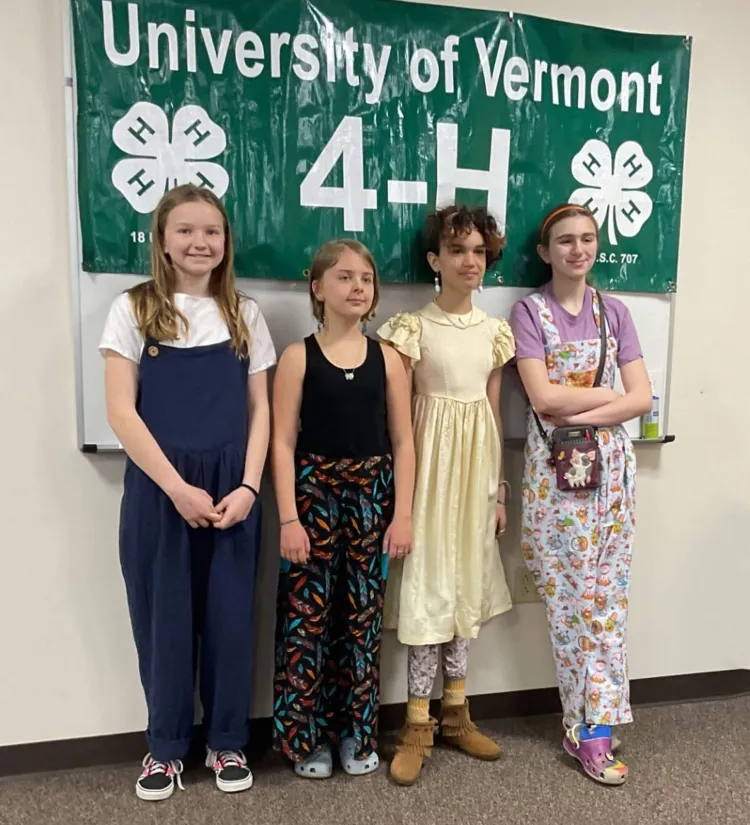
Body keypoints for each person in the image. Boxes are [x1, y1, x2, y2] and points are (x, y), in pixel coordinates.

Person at [100, 184, 275, 801]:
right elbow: (121, 413)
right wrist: (176, 489)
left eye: (212, 232)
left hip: (235, 493)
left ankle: (227, 740)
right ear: (164, 241)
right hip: (159, 492)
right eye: (186, 231)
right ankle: (166, 747)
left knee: (231, 620)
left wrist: (251, 486)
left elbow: (262, 412)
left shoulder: (244, 314)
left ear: (226, 244)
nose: (200, 242)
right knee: (163, 620)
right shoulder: (132, 309)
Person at [509, 203, 652, 786]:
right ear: (546, 251)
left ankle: (599, 723)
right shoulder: (529, 312)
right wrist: (608, 401)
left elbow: (643, 399)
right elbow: (541, 400)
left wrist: (588, 404)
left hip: (614, 474)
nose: (578, 250)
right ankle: (585, 728)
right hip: (557, 476)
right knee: (573, 606)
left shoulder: (614, 312)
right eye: (565, 241)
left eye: (588, 239)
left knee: (608, 602)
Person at [378, 204, 515, 786]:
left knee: (464, 586)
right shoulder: (411, 329)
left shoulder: (494, 333)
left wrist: (500, 490)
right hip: (427, 477)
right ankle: (416, 724)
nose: (470, 261)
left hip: (475, 478)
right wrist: (401, 504)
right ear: (435, 259)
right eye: (457, 250)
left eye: (479, 251)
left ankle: (456, 712)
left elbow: (492, 411)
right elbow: (398, 423)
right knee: (428, 588)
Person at [271, 239, 415, 779]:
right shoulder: (296, 357)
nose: (357, 287)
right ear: (318, 288)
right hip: (313, 500)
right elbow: (282, 442)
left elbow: (403, 440)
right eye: (345, 277)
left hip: (372, 499)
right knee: (309, 623)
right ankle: (307, 738)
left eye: (366, 279)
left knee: (362, 622)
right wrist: (288, 516)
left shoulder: (390, 360)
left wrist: (402, 514)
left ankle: (357, 732)